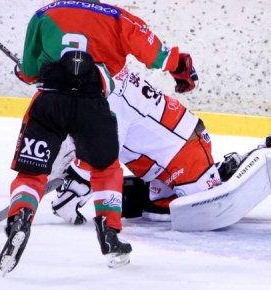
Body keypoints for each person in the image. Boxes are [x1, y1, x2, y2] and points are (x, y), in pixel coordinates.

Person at [0, 0, 198, 275]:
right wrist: (181, 68)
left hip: (49, 104)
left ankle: (21, 218)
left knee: (31, 174)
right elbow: (158, 55)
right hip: (94, 106)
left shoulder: (43, 15)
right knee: (106, 170)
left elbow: (29, 71)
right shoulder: (118, 17)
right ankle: (110, 235)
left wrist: (21, 71)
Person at [49, 67, 239, 225]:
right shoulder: (104, 77)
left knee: (205, 207)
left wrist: (73, 190)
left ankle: (230, 167)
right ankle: (217, 171)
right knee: (155, 208)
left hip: (186, 150)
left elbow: (101, 153)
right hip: (159, 167)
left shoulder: (107, 99)